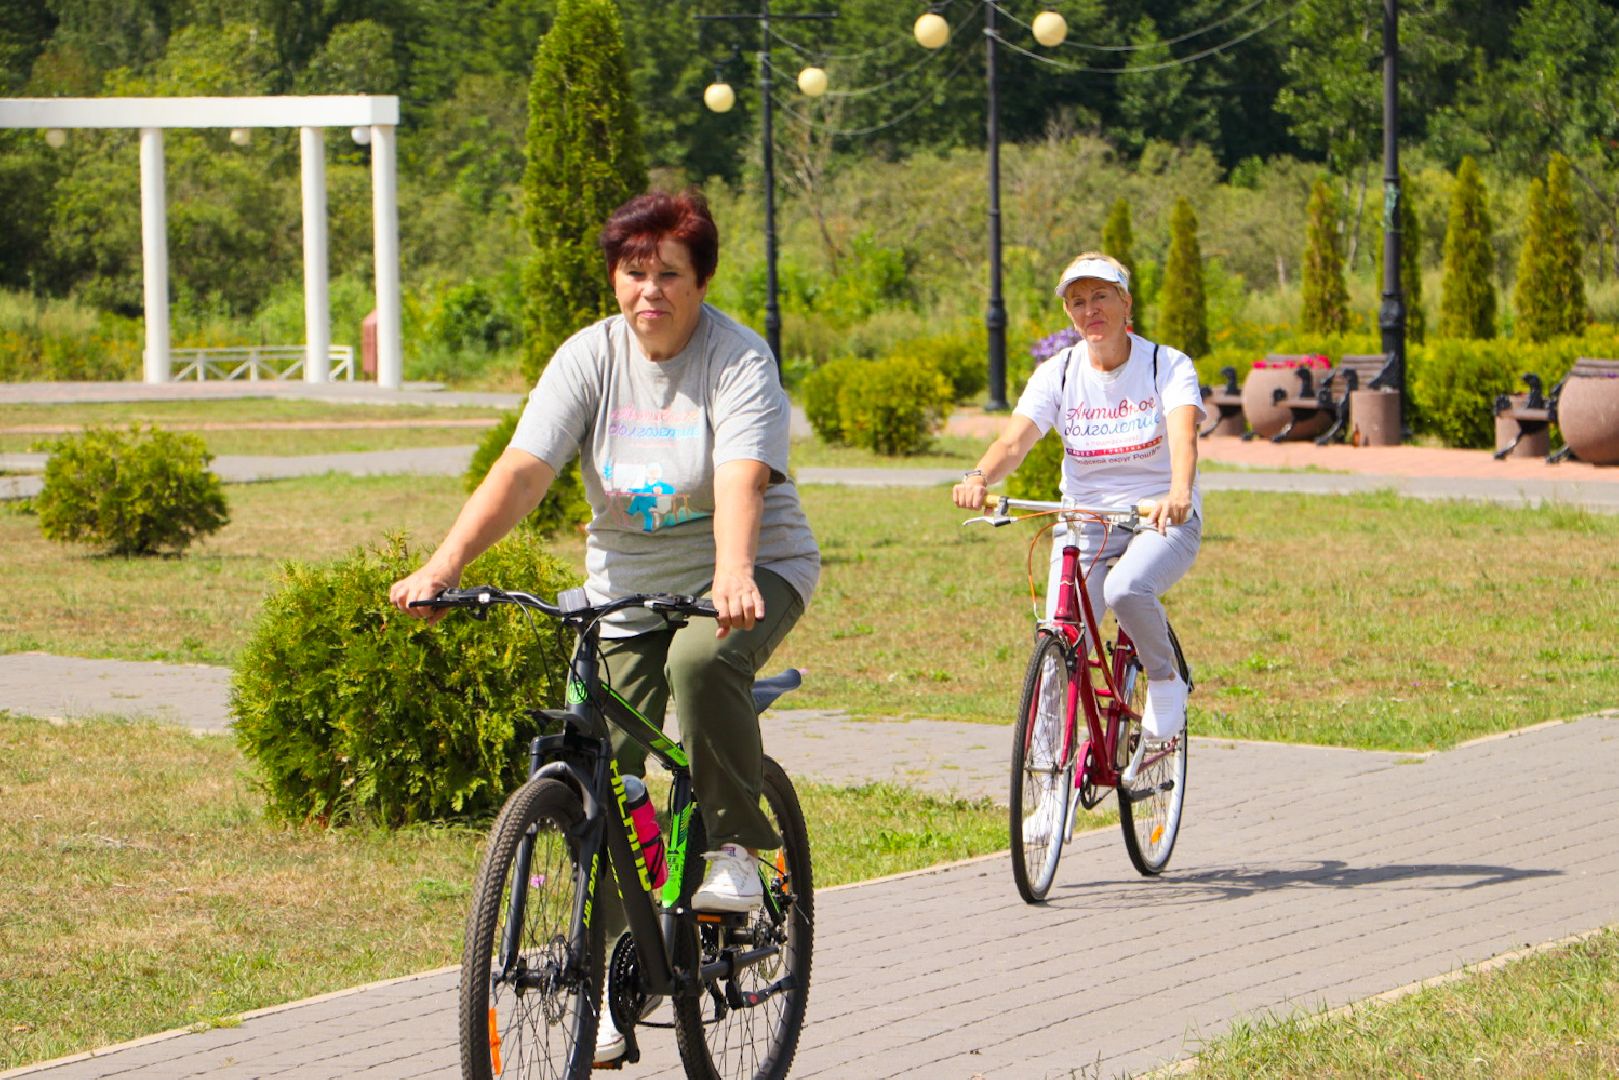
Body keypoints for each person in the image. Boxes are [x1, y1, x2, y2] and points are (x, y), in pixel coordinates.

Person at [390, 189, 819, 1063]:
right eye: (633, 272)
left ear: (700, 282)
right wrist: (447, 563)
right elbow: (523, 468)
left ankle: (734, 848)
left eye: (668, 273)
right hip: (623, 586)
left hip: (749, 570)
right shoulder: (590, 355)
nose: (648, 290)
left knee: (703, 666)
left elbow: (742, 473)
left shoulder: (737, 359)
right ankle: (605, 981)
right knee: (597, 773)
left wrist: (733, 571)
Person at [952, 251, 1203, 833]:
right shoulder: (1060, 372)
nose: (1090, 310)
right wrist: (979, 476)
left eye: (1101, 297)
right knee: (1057, 647)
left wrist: (1179, 491)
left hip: (1158, 519)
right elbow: (1017, 440)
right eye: (1077, 301)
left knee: (1126, 588)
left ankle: (1164, 682)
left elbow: (1185, 435)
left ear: (1125, 304)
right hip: (1084, 519)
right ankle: (1051, 793)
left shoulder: (1167, 365)